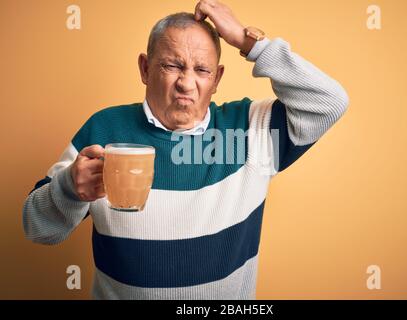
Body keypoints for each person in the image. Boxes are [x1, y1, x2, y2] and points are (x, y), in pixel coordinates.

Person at [23, 0, 349, 299]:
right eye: (173, 66)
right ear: (145, 69)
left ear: (217, 78)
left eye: (202, 70)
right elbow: (38, 229)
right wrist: (68, 189)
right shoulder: (105, 129)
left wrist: (250, 44)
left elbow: (329, 102)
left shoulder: (252, 130)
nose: (186, 83)